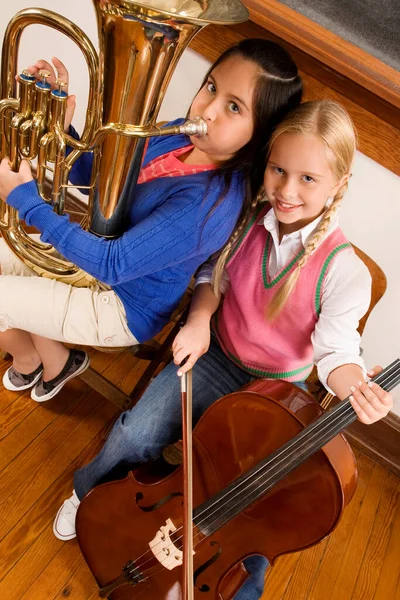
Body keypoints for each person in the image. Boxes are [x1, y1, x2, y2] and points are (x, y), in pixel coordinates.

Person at [52, 100, 393, 599]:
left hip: (273, 396)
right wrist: (199, 317)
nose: (287, 190)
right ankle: (88, 493)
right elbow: (215, 273)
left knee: (249, 510)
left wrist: (358, 389)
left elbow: (336, 353)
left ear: (339, 185)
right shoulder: (249, 213)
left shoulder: (346, 272)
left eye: (308, 179)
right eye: (279, 170)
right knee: (136, 433)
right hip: (217, 355)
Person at [0, 40, 303, 403]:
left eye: (234, 107)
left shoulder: (210, 205)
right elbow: (99, 180)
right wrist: (63, 131)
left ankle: (32, 358)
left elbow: (113, 266)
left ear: (261, 134)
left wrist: (28, 204)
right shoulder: (178, 135)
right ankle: (47, 360)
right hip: (93, 257)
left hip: (120, 303)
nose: (207, 110)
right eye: (211, 86)